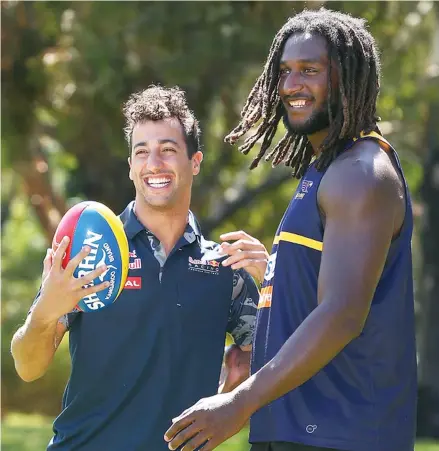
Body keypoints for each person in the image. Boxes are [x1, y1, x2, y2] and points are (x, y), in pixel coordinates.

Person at [165, 8, 417, 451]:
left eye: (310, 71)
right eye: (284, 72)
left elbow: (341, 315)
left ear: (347, 76)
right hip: (298, 430)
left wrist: (239, 403)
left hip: (342, 436)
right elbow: (324, 289)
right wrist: (270, 309)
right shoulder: (329, 169)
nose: (290, 86)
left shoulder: (362, 173)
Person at [10, 85, 264, 450]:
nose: (154, 164)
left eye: (168, 150)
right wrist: (43, 315)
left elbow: (274, 362)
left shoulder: (226, 269)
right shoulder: (91, 248)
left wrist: (274, 279)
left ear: (195, 162)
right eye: (142, 152)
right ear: (130, 167)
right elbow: (28, 367)